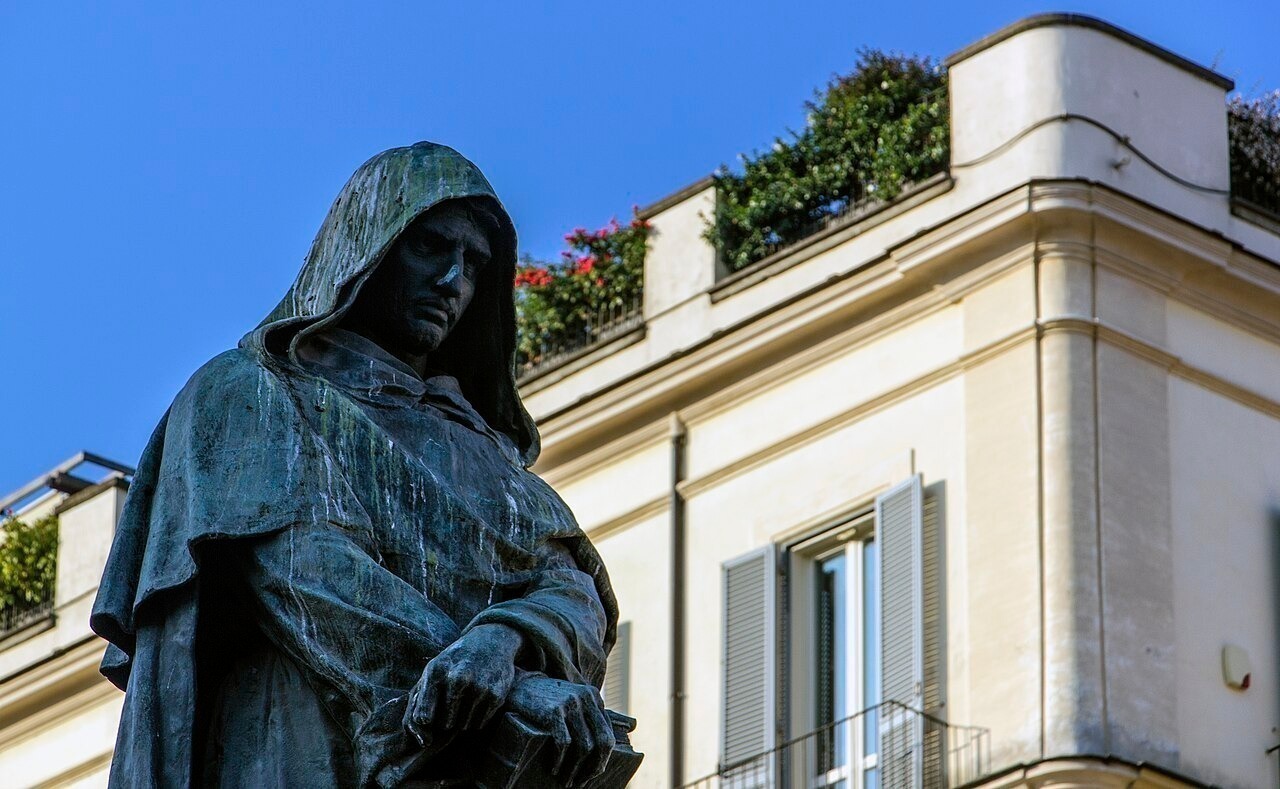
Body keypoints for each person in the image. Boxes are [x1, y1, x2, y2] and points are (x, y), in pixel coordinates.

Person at [91, 142, 633, 787]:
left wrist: (505, 640)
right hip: (303, 739)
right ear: (365, 250)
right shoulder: (249, 389)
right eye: (430, 247)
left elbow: (570, 584)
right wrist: (492, 691)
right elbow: (301, 566)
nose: (453, 281)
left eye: (473, 263)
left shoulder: (488, 451)